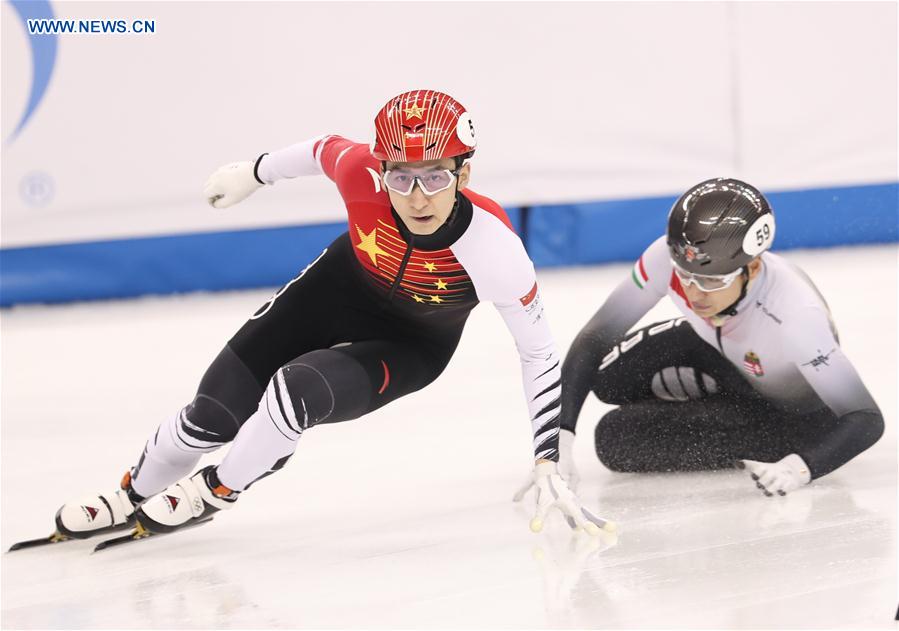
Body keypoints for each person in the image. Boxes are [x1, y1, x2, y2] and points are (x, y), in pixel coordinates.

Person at [52, 90, 608, 542]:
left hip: (413, 342)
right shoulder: (359, 169)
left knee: (300, 391)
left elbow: (537, 351)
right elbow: (322, 149)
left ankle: (215, 489)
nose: (417, 196)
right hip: (337, 290)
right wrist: (255, 172)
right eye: (401, 176)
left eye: (435, 176)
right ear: (381, 170)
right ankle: (128, 495)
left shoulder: (495, 248)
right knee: (210, 415)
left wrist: (545, 460)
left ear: (464, 173)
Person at [554, 178, 883, 496]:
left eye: (712, 282)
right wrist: (561, 438)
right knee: (608, 377)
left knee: (614, 442)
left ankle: (718, 409)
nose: (695, 294)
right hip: (718, 348)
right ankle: (709, 393)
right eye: (685, 277)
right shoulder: (669, 256)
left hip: (788, 415)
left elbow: (865, 418)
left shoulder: (796, 318)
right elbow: (596, 337)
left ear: (752, 269)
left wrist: (800, 468)